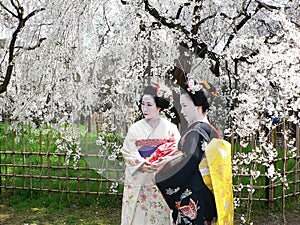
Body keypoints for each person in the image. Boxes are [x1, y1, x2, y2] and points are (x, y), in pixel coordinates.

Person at [155, 80, 234, 225]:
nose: (182, 111)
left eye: (185, 106)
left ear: (198, 106)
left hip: (193, 192)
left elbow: (189, 162)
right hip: (206, 191)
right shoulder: (210, 130)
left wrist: (162, 176)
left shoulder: (196, 132)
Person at [121, 83, 181, 225]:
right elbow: (128, 150)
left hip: (160, 175)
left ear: (159, 106)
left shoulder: (170, 128)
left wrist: (164, 161)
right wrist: (141, 164)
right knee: (137, 214)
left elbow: (177, 151)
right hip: (140, 175)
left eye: (149, 105)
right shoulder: (135, 128)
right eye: (142, 104)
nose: (145, 109)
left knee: (160, 212)